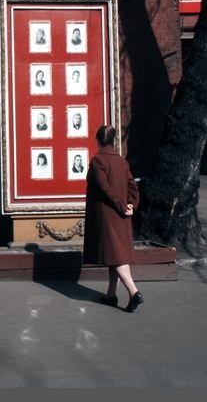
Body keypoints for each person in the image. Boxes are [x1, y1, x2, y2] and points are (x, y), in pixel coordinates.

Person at [83, 125, 143, 312]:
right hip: (121, 217)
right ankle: (111, 295)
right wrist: (131, 205)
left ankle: (134, 292)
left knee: (116, 257)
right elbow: (133, 186)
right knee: (115, 254)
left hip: (107, 216)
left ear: (98, 140)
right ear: (113, 140)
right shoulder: (121, 161)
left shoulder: (97, 161)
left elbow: (104, 188)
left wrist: (122, 205)